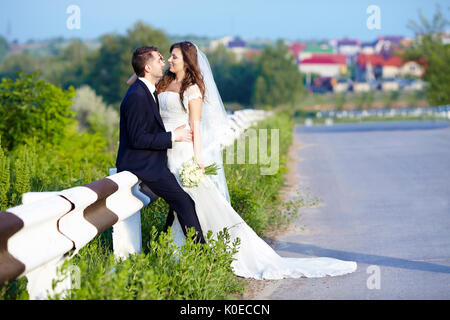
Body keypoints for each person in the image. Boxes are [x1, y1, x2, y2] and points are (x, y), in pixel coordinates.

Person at [129, 42, 357, 280]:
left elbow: (195, 126)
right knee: (184, 202)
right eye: (168, 56)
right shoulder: (163, 82)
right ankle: (181, 251)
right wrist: (142, 66)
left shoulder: (192, 88)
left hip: (182, 152)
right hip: (164, 148)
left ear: (187, 60)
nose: (169, 60)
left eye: (174, 56)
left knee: (190, 201)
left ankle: (194, 252)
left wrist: (198, 160)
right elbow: (136, 82)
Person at [116, 46, 206, 244]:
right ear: (148, 67)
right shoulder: (138, 95)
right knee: (183, 202)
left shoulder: (147, 89)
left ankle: (167, 246)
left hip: (156, 158)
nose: (165, 61)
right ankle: (202, 255)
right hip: (144, 163)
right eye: (160, 59)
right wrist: (174, 135)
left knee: (180, 202)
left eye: (171, 57)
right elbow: (138, 139)